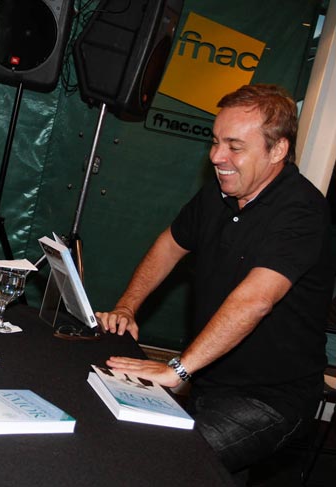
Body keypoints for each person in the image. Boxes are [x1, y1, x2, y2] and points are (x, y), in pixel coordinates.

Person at [96, 84, 333, 477]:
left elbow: (255, 300)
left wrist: (178, 369)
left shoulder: (302, 211)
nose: (217, 157)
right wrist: (127, 305)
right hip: (211, 380)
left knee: (161, 467)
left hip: (271, 399)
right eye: (216, 142)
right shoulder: (218, 194)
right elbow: (170, 245)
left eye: (235, 146)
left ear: (277, 151)